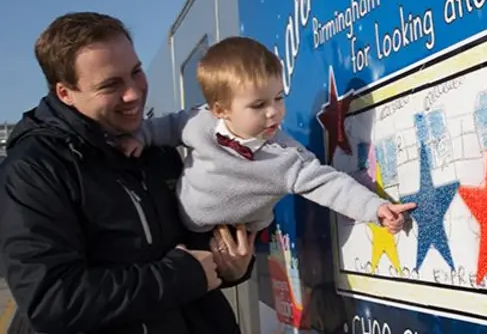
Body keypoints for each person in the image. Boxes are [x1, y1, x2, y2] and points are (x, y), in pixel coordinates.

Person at [0, 12, 254, 334]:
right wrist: (181, 276)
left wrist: (231, 263)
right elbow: (51, 300)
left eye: (136, 72)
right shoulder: (33, 171)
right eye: (110, 85)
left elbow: (196, 240)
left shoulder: (154, 148)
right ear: (65, 93)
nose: (133, 93)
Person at [118, 37, 416, 236]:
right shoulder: (198, 122)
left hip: (238, 233)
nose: (274, 112)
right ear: (221, 110)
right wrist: (141, 137)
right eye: (259, 105)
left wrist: (375, 208)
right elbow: (167, 127)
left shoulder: (284, 157)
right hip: (182, 224)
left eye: (278, 98)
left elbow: (330, 184)